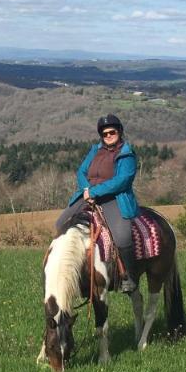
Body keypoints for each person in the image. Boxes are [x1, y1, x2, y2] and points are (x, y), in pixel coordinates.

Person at [55, 113, 140, 292]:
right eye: (105, 134)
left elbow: (123, 180)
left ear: (120, 132)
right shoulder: (95, 150)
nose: (108, 136)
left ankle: (130, 277)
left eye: (112, 132)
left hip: (114, 198)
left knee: (122, 234)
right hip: (88, 195)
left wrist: (95, 191)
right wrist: (87, 190)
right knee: (60, 223)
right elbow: (81, 171)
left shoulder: (127, 154)